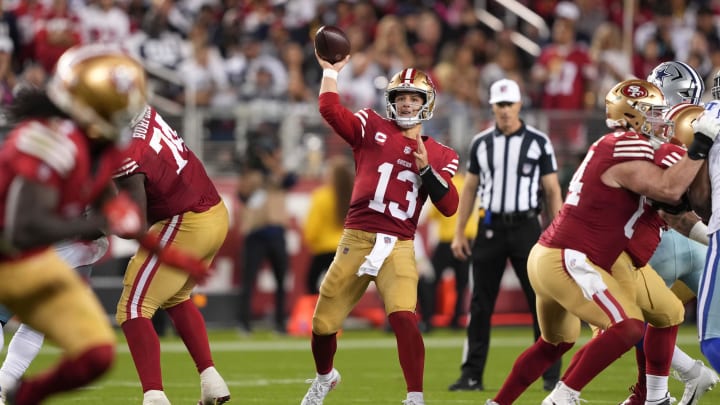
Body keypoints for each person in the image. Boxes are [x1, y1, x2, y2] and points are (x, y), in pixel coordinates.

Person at [486, 78, 718, 405]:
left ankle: (498, 403)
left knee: (560, 342)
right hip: (571, 256)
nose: (660, 120)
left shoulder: (629, 147)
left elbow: (674, 213)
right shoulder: (627, 145)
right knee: (627, 327)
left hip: (576, 254)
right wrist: (699, 147)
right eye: (652, 113)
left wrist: (714, 239)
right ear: (632, 115)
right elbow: (669, 189)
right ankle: (562, 397)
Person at [299, 55, 460, 405]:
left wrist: (427, 171)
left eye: (414, 97)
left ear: (426, 103)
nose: (406, 102)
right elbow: (330, 109)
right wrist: (330, 71)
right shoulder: (371, 127)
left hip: (399, 244)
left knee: (404, 315)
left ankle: (415, 397)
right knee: (322, 325)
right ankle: (325, 377)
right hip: (356, 238)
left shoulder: (440, 153)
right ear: (390, 101)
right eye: (401, 96)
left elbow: (450, 207)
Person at [0, 45, 151, 404]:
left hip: (69, 239)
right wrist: (102, 221)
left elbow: (119, 210)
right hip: (28, 236)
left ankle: (7, 386)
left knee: (50, 323)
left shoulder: (102, 145)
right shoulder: (52, 141)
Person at [448, 78, 563, 392]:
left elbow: (552, 190)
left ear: (519, 104)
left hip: (527, 227)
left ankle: (551, 376)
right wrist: (460, 232)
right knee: (480, 304)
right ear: (492, 107)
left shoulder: (539, 142)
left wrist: (560, 234)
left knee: (541, 302)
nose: (505, 110)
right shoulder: (481, 142)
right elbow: (470, 188)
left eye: (509, 104)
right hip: (490, 228)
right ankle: (471, 375)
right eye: (499, 105)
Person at [113, 104, 231, 404]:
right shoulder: (146, 113)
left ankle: (154, 396)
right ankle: (211, 381)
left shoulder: (129, 152)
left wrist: (97, 224)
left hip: (186, 221)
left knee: (133, 308)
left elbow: (134, 222)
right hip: (214, 212)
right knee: (175, 297)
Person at [617, 61, 719, 405]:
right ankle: (652, 393)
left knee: (622, 317)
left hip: (663, 235)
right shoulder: (702, 120)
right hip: (702, 241)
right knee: (664, 318)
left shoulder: (655, 128)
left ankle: (680, 378)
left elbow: (666, 196)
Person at [236, 131, 296, 335]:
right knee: (248, 280)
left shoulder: (277, 172)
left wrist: (270, 163)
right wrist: (253, 169)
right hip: (255, 232)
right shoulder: (250, 174)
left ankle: (280, 322)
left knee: (281, 280)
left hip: (276, 231)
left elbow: (290, 180)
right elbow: (242, 195)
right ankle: (244, 322)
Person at [417, 170, 477, 333]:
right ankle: (457, 319)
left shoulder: (445, 185)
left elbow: (435, 213)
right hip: (467, 239)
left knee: (431, 280)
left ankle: (428, 320)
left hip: (447, 240)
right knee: (462, 282)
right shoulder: (469, 184)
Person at [303, 154, 354, 294]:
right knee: (340, 287)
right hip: (346, 249)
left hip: (323, 249)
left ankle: (319, 313)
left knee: (311, 282)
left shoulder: (321, 196)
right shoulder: (353, 197)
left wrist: (311, 241)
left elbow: (312, 228)